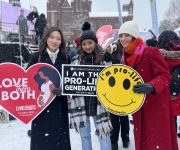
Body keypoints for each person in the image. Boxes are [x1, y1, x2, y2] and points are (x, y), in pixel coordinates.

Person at [118, 21, 178, 150]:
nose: (123, 39)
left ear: (134, 36)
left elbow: (165, 75)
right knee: (143, 140)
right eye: (121, 35)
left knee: (157, 140)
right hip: (138, 105)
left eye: (126, 35)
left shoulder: (150, 51)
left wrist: (151, 86)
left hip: (155, 105)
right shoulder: (124, 57)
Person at [69, 22, 112, 150]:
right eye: (84, 44)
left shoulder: (104, 60)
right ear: (80, 45)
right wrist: (66, 87)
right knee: (85, 136)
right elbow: (70, 79)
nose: (87, 46)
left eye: (90, 43)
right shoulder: (75, 60)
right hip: (81, 105)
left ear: (95, 43)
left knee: (104, 135)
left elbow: (111, 82)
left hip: (99, 105)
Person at [26, 26, 71, 150]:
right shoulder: (37, 57)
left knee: (59, 141)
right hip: (41, 107)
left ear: (61, 42)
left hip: (59, 105)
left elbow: (70, 80)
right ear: (46, 38)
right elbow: (27, 80)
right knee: (41, 142)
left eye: (58, 38)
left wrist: (64, 89)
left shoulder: (66, 58)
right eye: (52, 37)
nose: (54, 41)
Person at [104, 42, 130, 150]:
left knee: (115, 117)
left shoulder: (118, 56)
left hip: (116, 90)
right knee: (122, 116)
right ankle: (124, 138)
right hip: (119, 90)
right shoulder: (123, 54)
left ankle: (116, 140)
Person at [156, 30, 180, 136]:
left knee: (170, 118)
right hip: (178, 89)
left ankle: (171, 139)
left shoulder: (158, 55)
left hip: (166, 90)